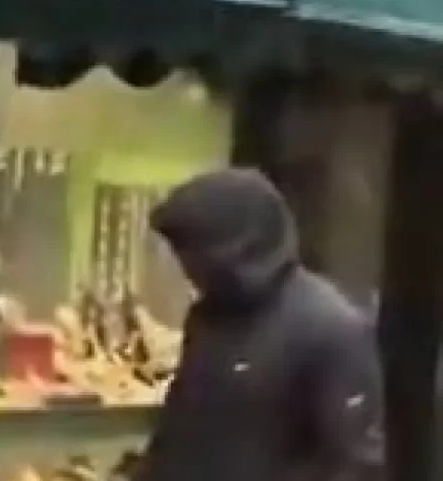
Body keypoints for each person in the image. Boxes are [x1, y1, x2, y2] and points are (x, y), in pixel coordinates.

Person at [136, 168, 384, 481]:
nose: (187, 271)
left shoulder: (330, 328)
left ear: (235, 250)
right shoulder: (208, 317)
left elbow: (355, 462)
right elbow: (180, 430)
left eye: (194, 256)